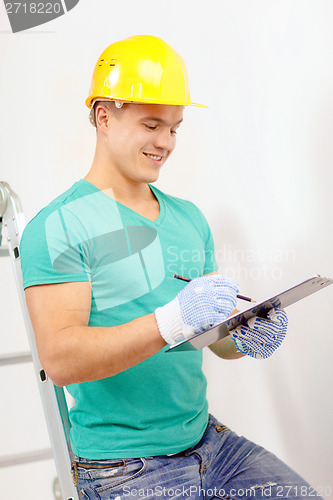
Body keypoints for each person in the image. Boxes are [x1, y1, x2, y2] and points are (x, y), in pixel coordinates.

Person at [20, 35, 321, 499]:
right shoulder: (59, 226)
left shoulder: (188, 219)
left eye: (175, 128)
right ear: (104, 116)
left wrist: (242, 335)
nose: (166, 142)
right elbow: (60, 360)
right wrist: (172, 319)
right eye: (151, 124)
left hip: (208, 442)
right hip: (123, 464)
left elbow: (210, 342)